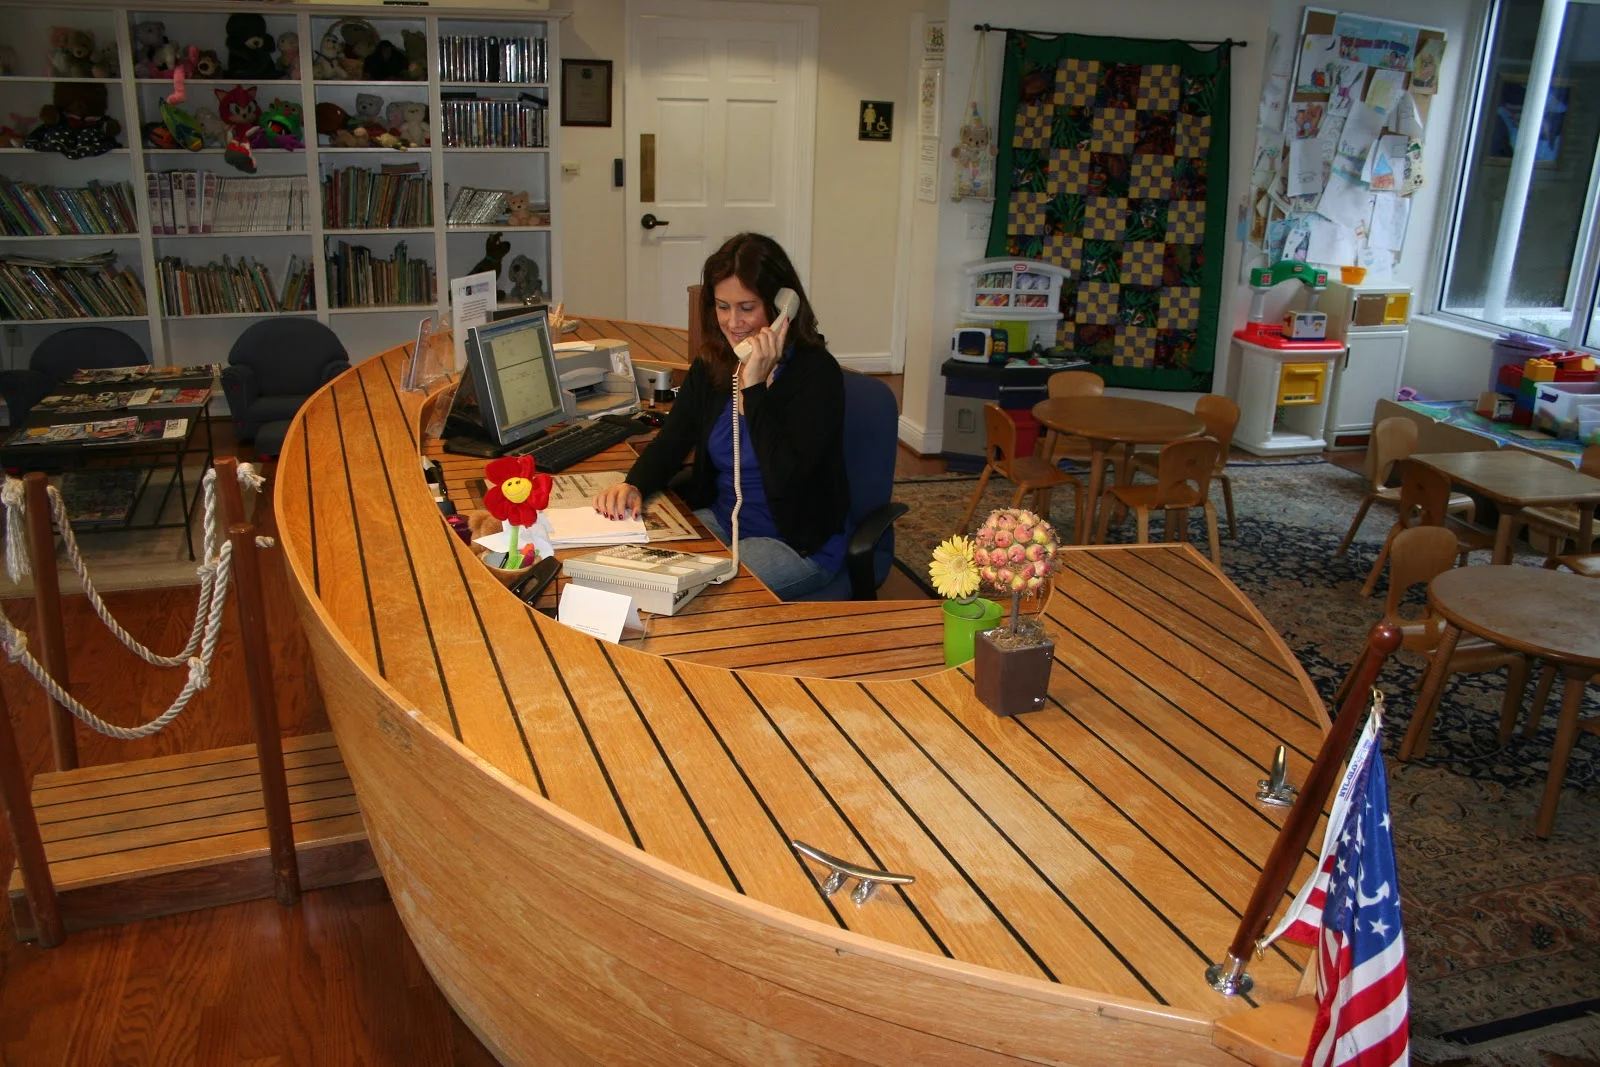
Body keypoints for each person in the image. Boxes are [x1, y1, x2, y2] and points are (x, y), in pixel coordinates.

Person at [593, 233, 848, 600]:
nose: (733, 322)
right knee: (635, 571)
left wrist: (754, 388)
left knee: (693, 597)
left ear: (781, 307)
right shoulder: (715, 363)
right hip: (723, 520)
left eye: (747, 307)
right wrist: (634, 484)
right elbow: (673, 439)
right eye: (722, 306)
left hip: (795, 541)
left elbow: (787, 478)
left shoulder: (816, 375)